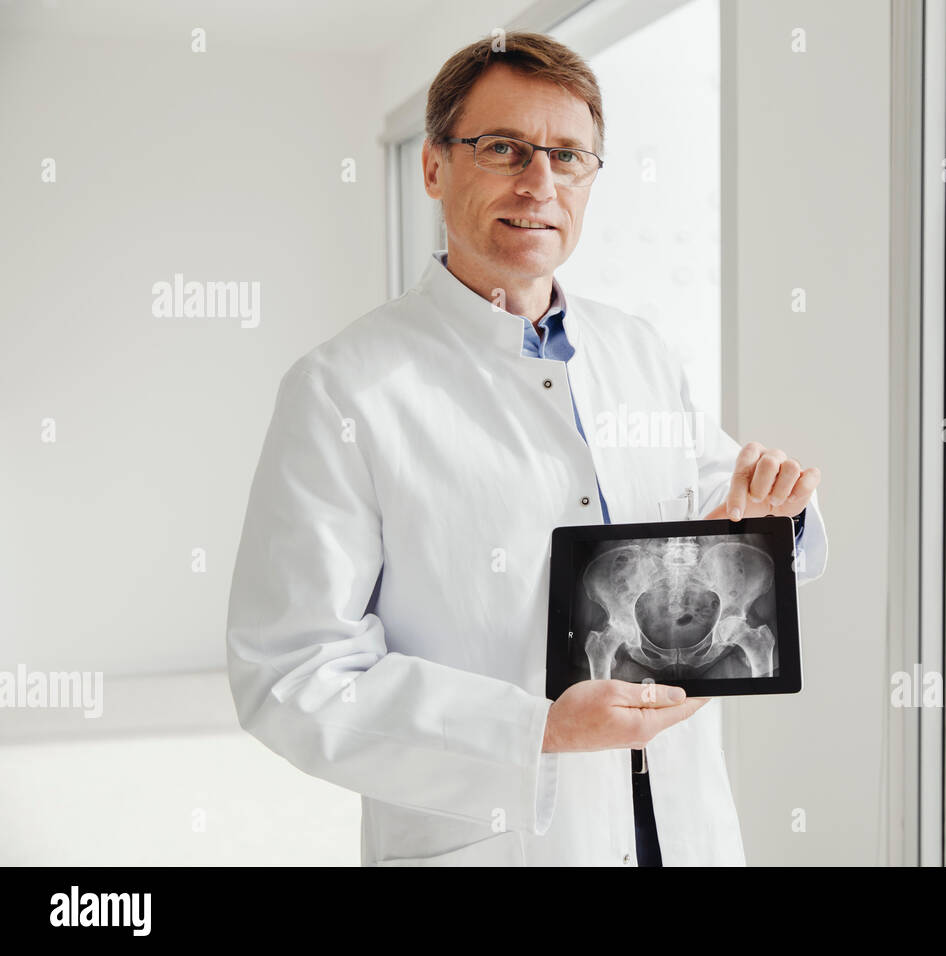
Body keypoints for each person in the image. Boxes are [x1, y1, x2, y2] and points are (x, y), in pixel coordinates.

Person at [225, 31, 828, 867]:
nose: (538, 183)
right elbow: (292, 673)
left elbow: (714, 499)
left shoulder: (639, 351)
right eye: (503, 147)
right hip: (499, 836)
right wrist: (534, 731)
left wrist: (762, 518)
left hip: (680, 828)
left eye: (568, 156)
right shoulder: (342, 389)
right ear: (434, 167)